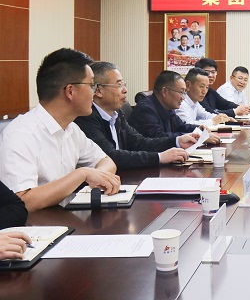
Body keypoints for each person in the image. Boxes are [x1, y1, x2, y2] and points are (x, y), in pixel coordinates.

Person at [0, 48, 120, 212]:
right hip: (34, 226)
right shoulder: (21, 134)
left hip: (65, 218)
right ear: (70, 91)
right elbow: (22, 202)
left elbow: (106, 161)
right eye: (91, 85)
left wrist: (98, 177)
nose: (94, 93)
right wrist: (82, 174)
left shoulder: (71, 129)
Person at [75, 62, 199, 169]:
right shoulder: (86, 118)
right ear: (98, 90)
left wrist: (177, 141)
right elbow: (110, 156)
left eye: (124, 84)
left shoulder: (116, 114)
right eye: (119, 85)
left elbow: (140, 142)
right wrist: (160, 157)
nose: (125, 90)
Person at [129, 70, 201, 138]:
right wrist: (192, 136)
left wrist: (199, 128)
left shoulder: (168, 107)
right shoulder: (145, 110)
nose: (183, 98)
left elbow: (181, 126)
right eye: (181, 92)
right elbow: (160, 137)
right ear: (164, 91)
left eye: (184, 93)